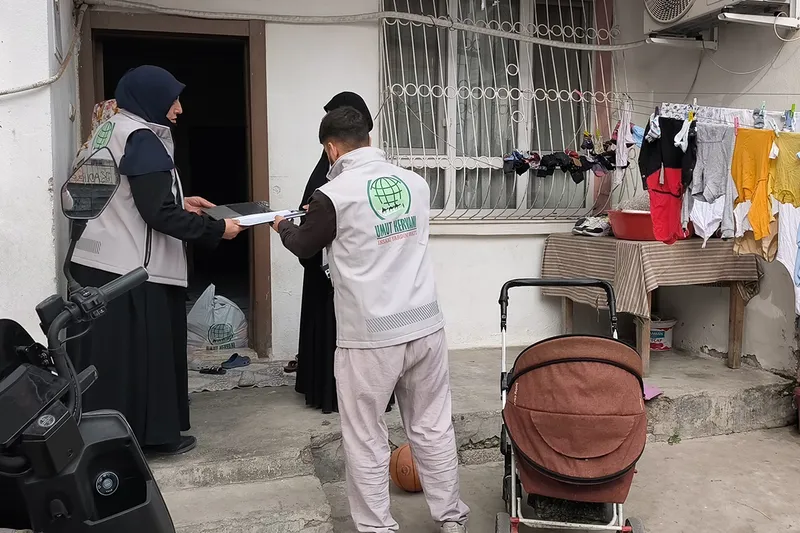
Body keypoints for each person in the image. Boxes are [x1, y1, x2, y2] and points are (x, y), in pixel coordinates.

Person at [272, 107, 470, 532]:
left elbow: (305, 245)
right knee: (433, 427)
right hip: (425, 325)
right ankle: (452, 519)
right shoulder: (416, 183)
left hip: (370, 335)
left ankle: (378, 527)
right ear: (368, 138)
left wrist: (283, 226)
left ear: (331, 149)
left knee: (365, 437)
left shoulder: (332, 195)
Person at [68, 65, 246, 456]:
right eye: (173, 100)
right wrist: (217, 229)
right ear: (151, 99)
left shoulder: (107, 130)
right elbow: (157, 214)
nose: (179, 109)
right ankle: (152, 437)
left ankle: (109, 440)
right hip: (134, 272)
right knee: (147, 358)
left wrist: (181, 202)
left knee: (111, 362)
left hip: (97, 264)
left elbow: (124, 195)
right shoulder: (143, 138)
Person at [290, 91, 395, 414]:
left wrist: (286, 227)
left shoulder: (343, 177)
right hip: (341, 273)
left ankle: (340, 395)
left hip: (344, 272)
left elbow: (310, 236)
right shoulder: (396, 178)